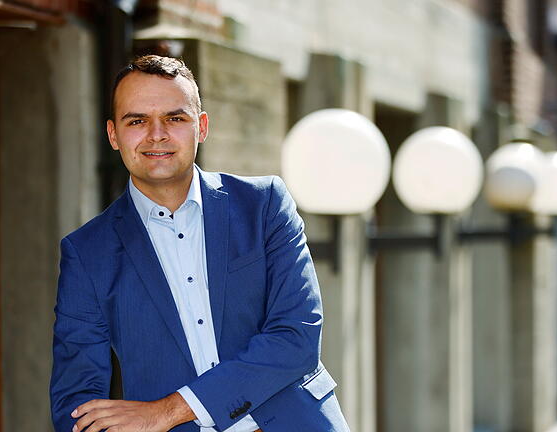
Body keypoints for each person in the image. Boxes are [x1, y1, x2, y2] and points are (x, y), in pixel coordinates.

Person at [49, 55, 349, 432]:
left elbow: (296, 337)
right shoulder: (87, 252)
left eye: (175, 118)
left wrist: (166, 411)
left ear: (201, 127)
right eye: (137, 121)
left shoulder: (265, 205)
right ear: (113, 135)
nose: (156, 134)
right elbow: (76, 403)